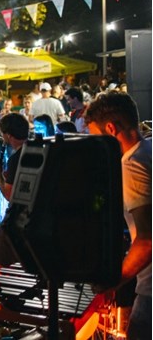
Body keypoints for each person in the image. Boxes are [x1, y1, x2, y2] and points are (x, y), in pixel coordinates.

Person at [86, 92, 151, 340]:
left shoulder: (131, 164)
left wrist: (113, 281)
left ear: (111, 128)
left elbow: (147, 241)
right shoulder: (150, 149)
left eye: (96, 138)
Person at [0, 113, 30, 267]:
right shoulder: (35, 149)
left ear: (8, 135)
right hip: (36, 214)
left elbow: (10, 195)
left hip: (18, 217)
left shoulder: (15, 159)